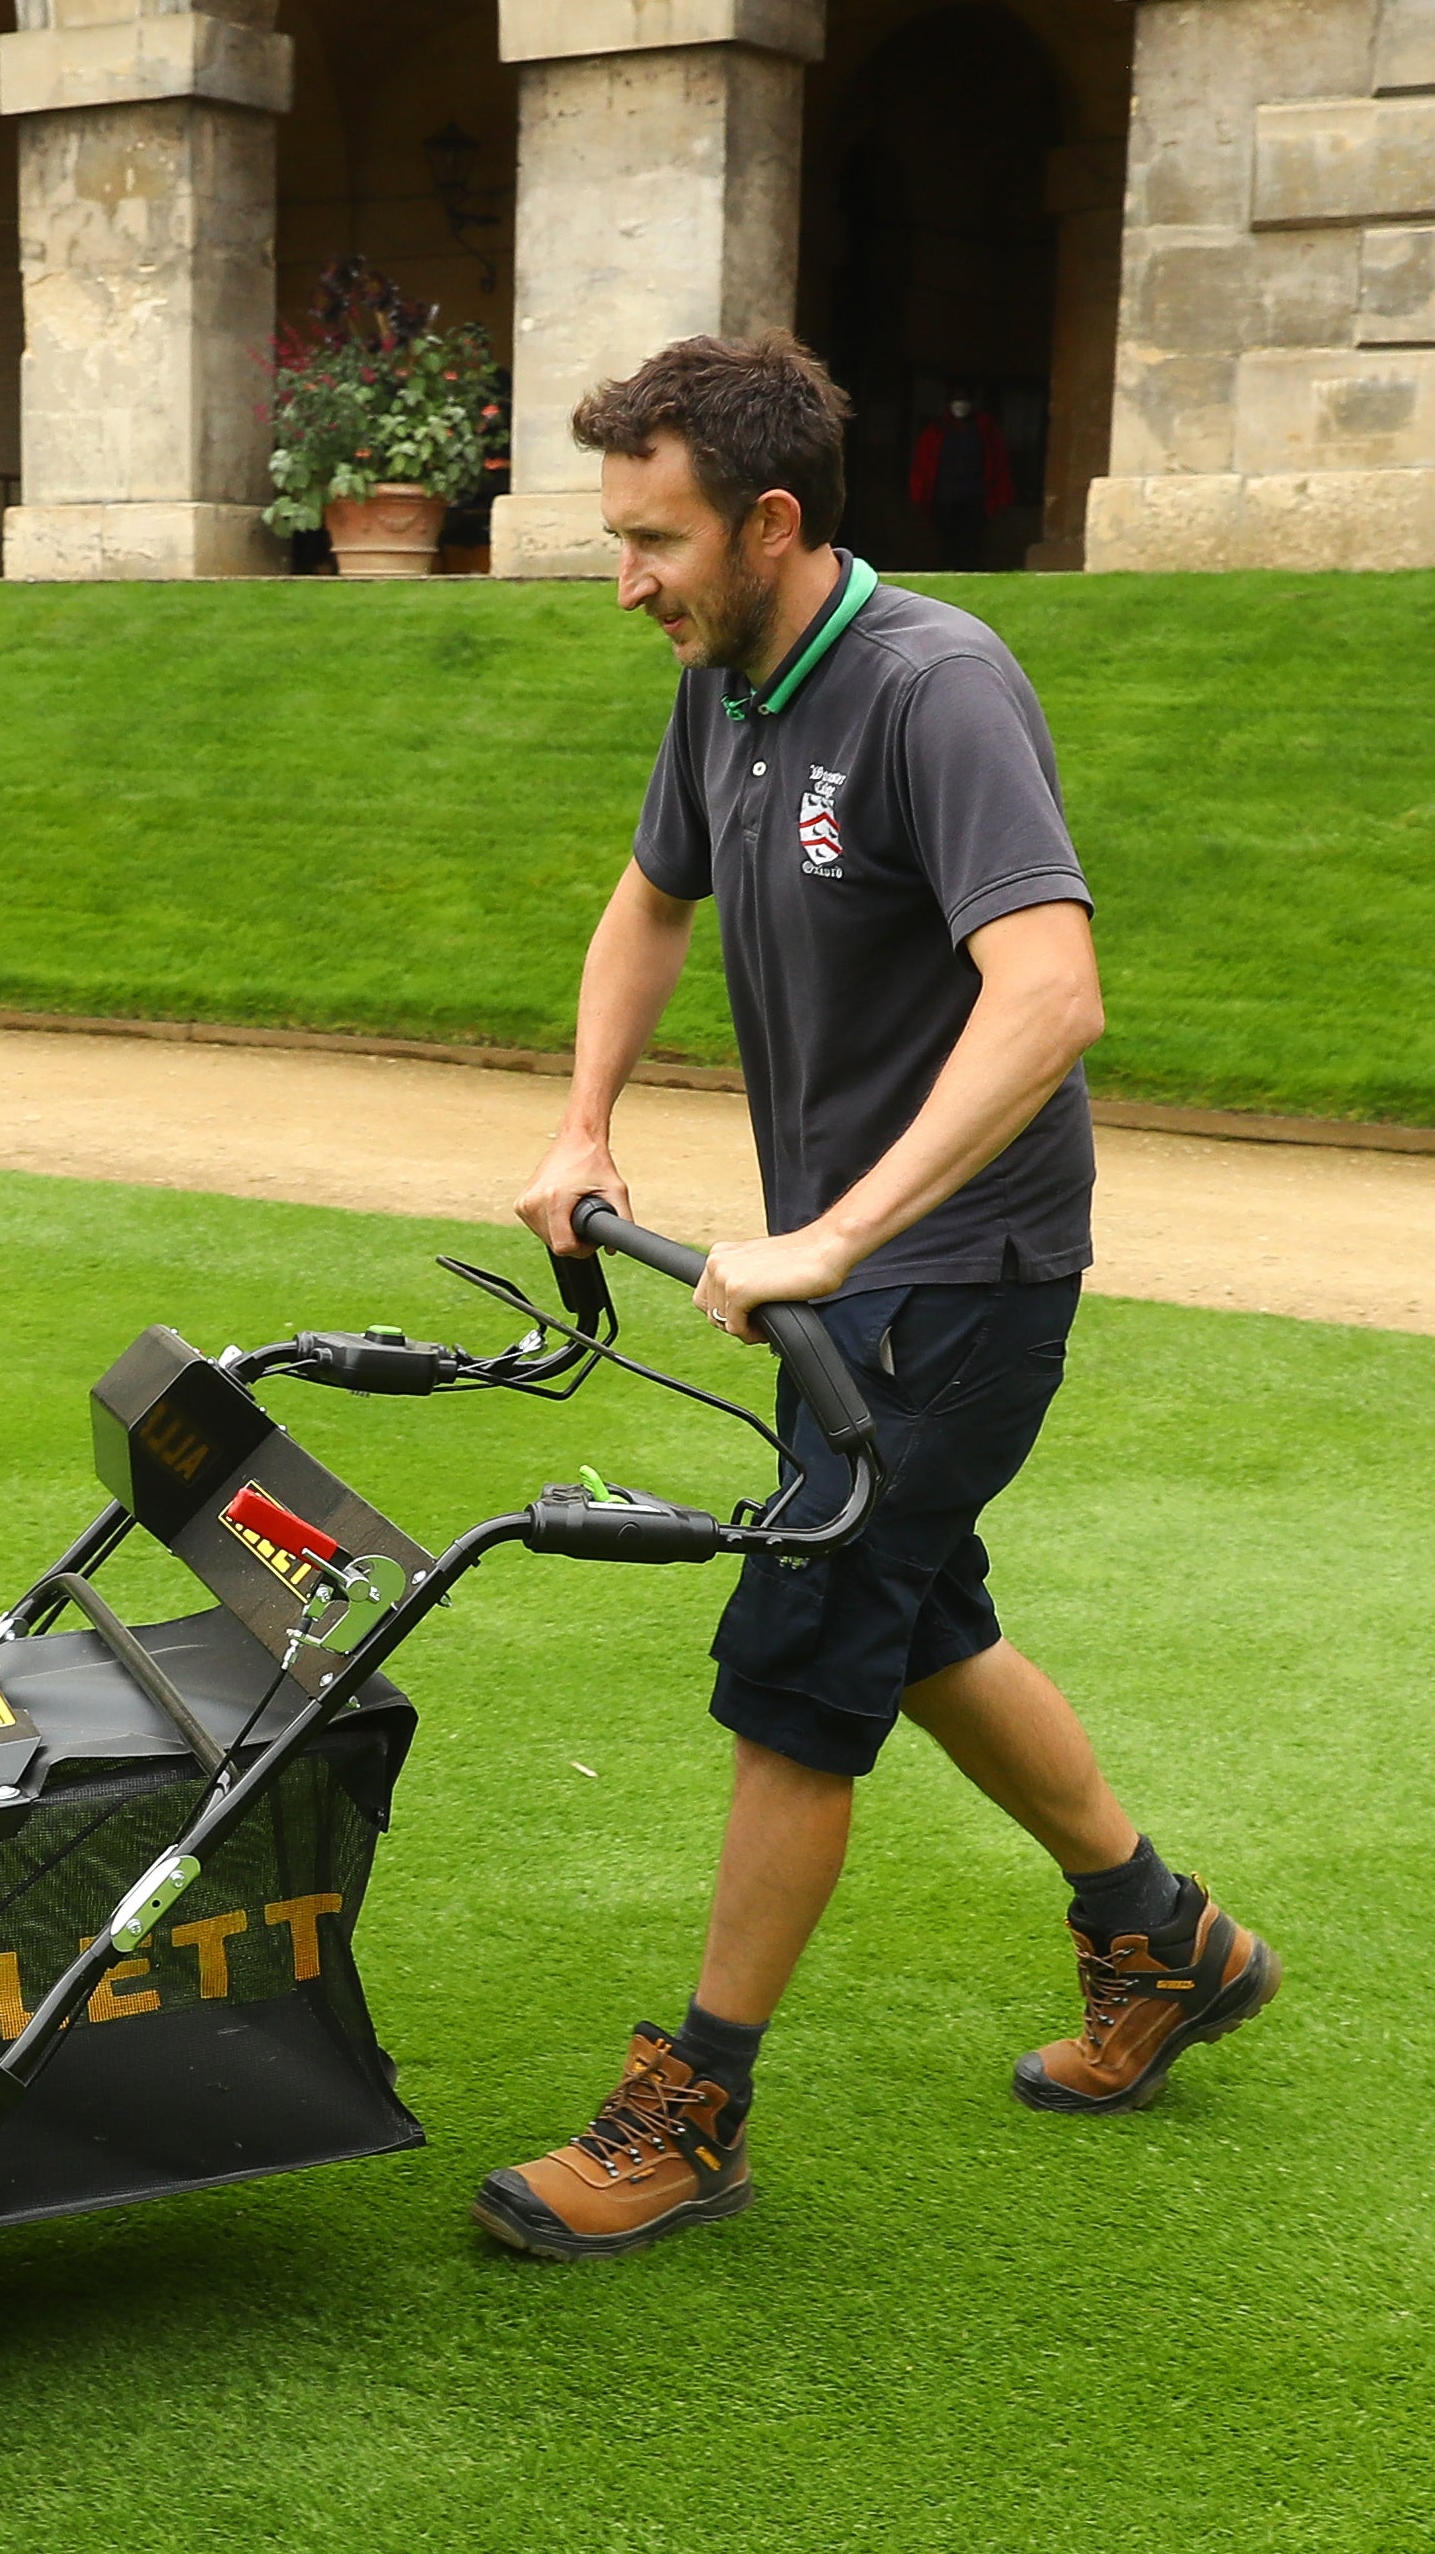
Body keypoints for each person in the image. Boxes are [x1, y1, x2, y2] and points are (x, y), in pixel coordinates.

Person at [474, 332, 1278, 2265]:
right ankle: (1163, 1939)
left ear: (769, 521)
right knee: (913, 1620)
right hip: (845, 1286)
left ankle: (696, 2110)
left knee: (802, 1661)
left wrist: (836, 1237)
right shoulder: (725, 681)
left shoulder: (935, 688)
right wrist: (584, 1131)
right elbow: (649, 901)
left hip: (963, 1274)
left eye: (654, 540)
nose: (626, 580)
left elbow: (1053, 996)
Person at [907, 390, 1017, 572]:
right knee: (946, 540)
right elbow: (922, 464)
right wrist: (918, 495)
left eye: (964, 399)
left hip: (975, 497)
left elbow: (998, 463)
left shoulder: (985, 429)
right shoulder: (937, 430)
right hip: (943, 497)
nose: (960, 405)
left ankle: (970, 569)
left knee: (971, 540)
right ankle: (948, 569)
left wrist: (1001, 497)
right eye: (956, 399)